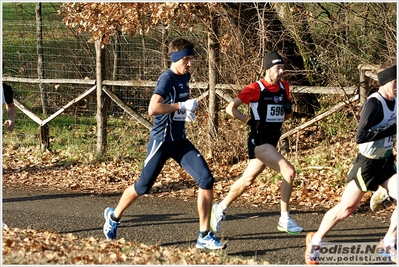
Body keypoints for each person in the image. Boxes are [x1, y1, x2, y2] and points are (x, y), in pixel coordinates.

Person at [103, 38, 225, 250]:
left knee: (206, 179)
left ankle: (204, 235)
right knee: (143, 186)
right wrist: (181, 105)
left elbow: (174, 107)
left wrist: (184, 113)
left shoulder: (185, 76)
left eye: (191, 59)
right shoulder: (166, 79)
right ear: (176, 58)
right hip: (161, 142)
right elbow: (153, 108)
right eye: (186, 59)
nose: (189, 64)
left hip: (179, 141)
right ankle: (113, 217)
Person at [304, 62, 397, 265]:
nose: (398, 85)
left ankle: (389, 241)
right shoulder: (374, 104)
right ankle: (316, 239)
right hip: (367, 164)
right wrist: (392, 129)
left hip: (386, 162)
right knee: (346, 209)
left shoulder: (396, 100)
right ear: (385, 82)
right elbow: (360, 136)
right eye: (395, 81)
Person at [211, 51, 303, 234]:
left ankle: (219, 208)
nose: (281, 71)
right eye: (277, 68)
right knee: (289, 171)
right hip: (259, 141)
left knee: (247, 180)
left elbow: (285, 115)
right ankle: (284, 219)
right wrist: (248, 121)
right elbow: (231, 108)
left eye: (283, 67)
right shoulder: (256, 88)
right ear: (267, 69)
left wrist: (288, 111)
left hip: (272, 140)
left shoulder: (285, 87)